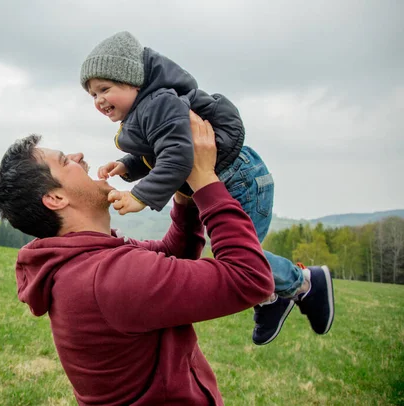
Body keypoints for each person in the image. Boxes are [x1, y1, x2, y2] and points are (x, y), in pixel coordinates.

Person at [0, 113, 274, 405]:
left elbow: (171, 255)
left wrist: (183, 194)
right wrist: (204, 182)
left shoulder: (86, 262)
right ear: (56, 199)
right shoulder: (105, 278)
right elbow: (250, 278)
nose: (79, 156)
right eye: (65, 161)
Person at [79, 31, 334, 345]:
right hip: (230, 176)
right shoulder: (147, 108)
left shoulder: (159, 102)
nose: (99, 100)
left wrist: (140, 196)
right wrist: (128, 166)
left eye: (105, 89)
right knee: (238, 257)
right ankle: (272, 297)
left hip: (239, 178)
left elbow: (177, 153)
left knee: (241, 261)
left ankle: (306, 282)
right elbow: (162, 147)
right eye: (92, 94)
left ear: (133, 81)